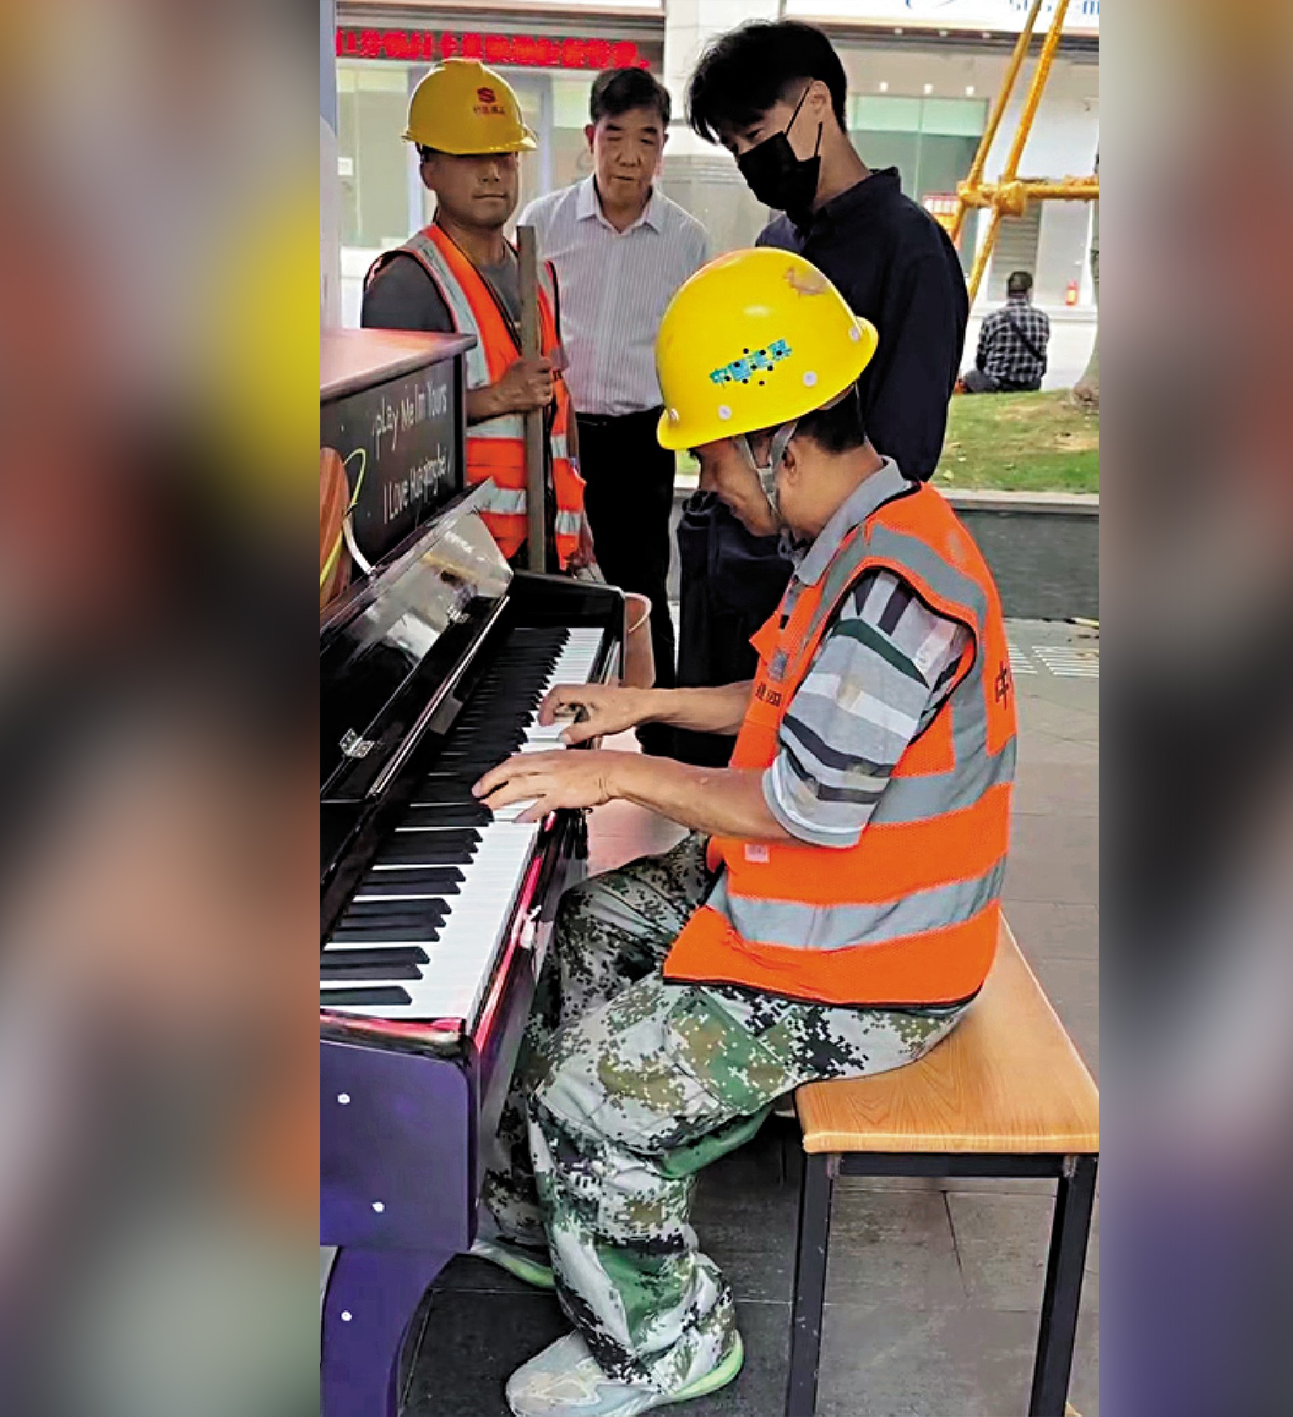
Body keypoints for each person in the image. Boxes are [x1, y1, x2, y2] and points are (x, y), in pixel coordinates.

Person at [468, 248, 1017, 1417]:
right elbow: (781, 707)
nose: (708, 481)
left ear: (778, 442)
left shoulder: (897, 592)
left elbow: (803, 802)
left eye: (713, 455)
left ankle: (668, 1336)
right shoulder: (866, 537)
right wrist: (647, 704)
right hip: (828, 906)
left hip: (876, 970)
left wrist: (614, 771)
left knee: (580, 1091)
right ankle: (543, 1211)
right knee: (595, 919)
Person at [671, 20, 971, 768]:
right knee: (716, 784)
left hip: (823, 590)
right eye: (734, 148)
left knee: (790, 794)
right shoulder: (780, 243)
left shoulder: (911, 253)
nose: (749, 160)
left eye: (755, 133)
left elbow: (901, 462)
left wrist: (776, 509)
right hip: (730, 567)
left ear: (817, 106)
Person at [518, 69, 709, 753]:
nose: (630, 155)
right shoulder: (541, 224)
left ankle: (666, 751)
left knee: (641, 591)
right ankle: (558, 741)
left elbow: (695, 348)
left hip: (640, 443)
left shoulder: (687, 240)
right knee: (557, 584)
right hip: (558, 439)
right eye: (616, 136)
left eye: (648, 139)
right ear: (590, 138)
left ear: (663, 149)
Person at [360, 58, 589, 570]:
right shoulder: (406, 283)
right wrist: (495, 397)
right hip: (463, 570)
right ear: (429, 170)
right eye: (470, 157)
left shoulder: (537, 274)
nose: (493, 173)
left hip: (548, 553)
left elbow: (559, 410)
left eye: (505, 156)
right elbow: (384, 442)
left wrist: (577, 515)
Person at [963, 270, 1051, 393]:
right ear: (1029, 292)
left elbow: (981, 357)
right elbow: (1042, 355)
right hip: (1030, 383)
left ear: (1007, 291)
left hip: (998, 383)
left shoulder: (993, 318)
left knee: (970, 377)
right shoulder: (1042, 319)